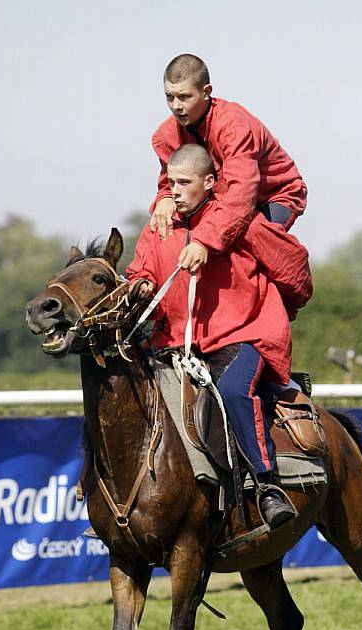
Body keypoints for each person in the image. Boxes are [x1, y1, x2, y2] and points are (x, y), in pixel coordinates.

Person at [127, 144, 304, 529]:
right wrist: (140, 287)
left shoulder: (242, 222)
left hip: (244, 336)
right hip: (175, 345)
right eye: (170, 182)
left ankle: (267, 485)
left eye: (183, 182)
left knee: (233, 392)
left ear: (209, 183)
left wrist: (287, 305)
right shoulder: (160, 224)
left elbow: (294, 267)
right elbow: (140, 271)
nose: (173, 190)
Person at [148, 54, 309, 317]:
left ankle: (277, 308)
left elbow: (241, 197)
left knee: (249, 236)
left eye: (184, 97)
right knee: (173, 228)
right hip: (222, 199)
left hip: (273, 195)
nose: (176, 106)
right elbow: (168, 181)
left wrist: (204, 242)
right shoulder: (165, 135)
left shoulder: (234, 125)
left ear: (206, 92)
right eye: (169, 97)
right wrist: (164, 197)